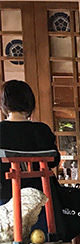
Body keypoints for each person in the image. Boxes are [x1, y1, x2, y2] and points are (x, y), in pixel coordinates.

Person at [0, 80, 61, 234]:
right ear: (30, 103)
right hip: (41, 199)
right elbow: (54, 160)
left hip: (4, 200)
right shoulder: (40, 130)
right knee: (42, 238)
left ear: (4, 104)